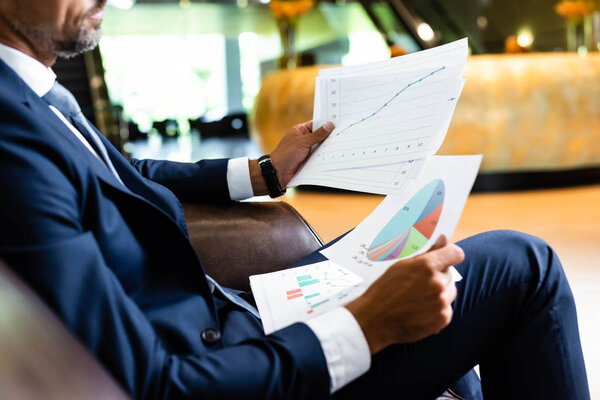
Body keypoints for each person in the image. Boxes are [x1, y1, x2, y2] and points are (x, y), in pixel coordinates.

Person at [0, 1, 590, 399]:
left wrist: (262, 172)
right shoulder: (11, 143)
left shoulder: (36, 98)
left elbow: (125, 173)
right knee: (523, 266)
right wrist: (367, 323)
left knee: (425, 274)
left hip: (233, 312)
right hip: (229, 361)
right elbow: (154, 385)